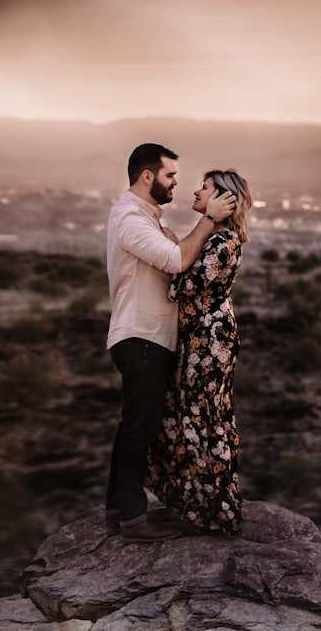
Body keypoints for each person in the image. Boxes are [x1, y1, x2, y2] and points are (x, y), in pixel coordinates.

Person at [105, 144, 236, 543]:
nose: (177, 183)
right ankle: (132, 521)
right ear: (148, 176)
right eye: (170, 176)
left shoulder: (149, 218)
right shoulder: (130, 220)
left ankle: (118, 511)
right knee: (139, 430)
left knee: (135, 426)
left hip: (151, 338)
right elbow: (177, 262)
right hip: (140, 336)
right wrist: (209, 221)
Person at [146, 169, 253, 537]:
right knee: (194, 416)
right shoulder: (216, 238)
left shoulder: (221, 241)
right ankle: (193, 505)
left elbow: (182, 286)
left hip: (208, 340)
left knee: (202, 418)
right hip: (200, 337)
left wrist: (176, 256)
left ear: (224, 199)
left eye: (204, 188)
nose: (195, 191)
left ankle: (213, 512)